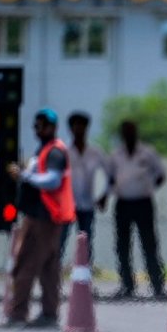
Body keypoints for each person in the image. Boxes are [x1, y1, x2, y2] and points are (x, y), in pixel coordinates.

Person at [3, 108, 76, 327]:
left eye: (40, 126)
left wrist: (24, 175)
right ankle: (49, 314)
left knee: (26, 264)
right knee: (48, 268)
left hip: (42, 217)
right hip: (48, 217)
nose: (37, 130)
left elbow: (52, 181)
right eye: (35, 126)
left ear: (51, 127)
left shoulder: (54, 152)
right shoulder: (47, 150)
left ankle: (18, 314)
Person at [99, 120, 167, 300]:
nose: (129, 134)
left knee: (149, 244)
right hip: (123, 203)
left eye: (131, 131)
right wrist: (104, 197)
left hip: (143, 202)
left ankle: (157, 285)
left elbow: (160, 174)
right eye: (125, 132)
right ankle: (127, 285)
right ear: (122, 135)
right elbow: (110, 179)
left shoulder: (147, 153)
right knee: (122, 246)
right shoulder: (116, 155)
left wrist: (148, 187)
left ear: (136, 133)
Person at [58, 111, 109, 265]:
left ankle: (85, 279)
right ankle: (53, 280)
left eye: (83, 127)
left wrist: (103, 195)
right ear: (71, 129)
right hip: (67, 204)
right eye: (76, 127)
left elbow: (109, 175)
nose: (79, 130)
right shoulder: (64, 151)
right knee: (60, 241)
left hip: (87, 204)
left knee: (86, 242)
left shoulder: (96, 152)